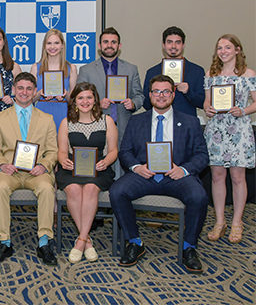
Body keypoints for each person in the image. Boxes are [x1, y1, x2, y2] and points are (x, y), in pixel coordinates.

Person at [110, 75, 209, 274]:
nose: (161, 96)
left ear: (173, 94)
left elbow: (202, 155)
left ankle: (189, 247)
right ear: (150, 94)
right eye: (156, 91)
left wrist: (183, 170)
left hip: (177, 176)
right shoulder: (136, 120)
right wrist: (137, 167)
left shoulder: (190, 121)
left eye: (165, 91)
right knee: (117, 191)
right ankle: (135, 242)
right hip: (144, 175)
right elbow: (125, 152)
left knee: (199, 196)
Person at [0, 72, 58, 266]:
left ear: (35, 91)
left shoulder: (47, 119)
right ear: (13, 90)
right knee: (0, 188)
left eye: (29, 89)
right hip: (9, 171)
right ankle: (5, 242)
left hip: (37, 173)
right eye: (20, 88)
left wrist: (44, 166)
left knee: (46, 189)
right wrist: (2, 164)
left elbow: (53, 151)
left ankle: (44, 242)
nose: (24, 92)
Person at [203, 34, 256, 244]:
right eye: (219, 48)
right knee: (217, 176)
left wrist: (243, 111)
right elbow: (207, 103)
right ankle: (219, 220)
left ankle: (237, 221)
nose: (223, 51)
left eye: (227, 47)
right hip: (217, 130)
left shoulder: (248, 74)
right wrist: (208, 109)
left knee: (237, 177)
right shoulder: (211, 74)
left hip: (239, 130)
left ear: (237, 50)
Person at [56, 82, 117, 263]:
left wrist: (106, 161)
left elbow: (113, 151)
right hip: (72, 169)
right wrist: (62, 160)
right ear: (74, 101)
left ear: (95, 100)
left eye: (89, 97)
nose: (85, 101)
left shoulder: (107, 121)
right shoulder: (66, 123)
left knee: (90, 188)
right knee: (74, 190)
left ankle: (81, 241)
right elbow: (61, 150)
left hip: (99, 169)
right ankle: (87, 241)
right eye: (80, 98)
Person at [77, 27, 144, 145]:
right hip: (95, 126)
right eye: (105, 42)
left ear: (119, 45)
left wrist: (133, 103)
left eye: (113, 42)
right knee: (100, 162)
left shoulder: (131, 69)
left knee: (122, 161)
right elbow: (79, 98)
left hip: (124, 126)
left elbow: (139, 96)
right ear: (99, 45)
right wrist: (97, 104)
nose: (109, 45)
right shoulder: (86, 70)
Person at [142, 26, 204, 116]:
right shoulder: (152, 72)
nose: (173, 46)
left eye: (178, 42)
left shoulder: (197, 71)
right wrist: (156, 94)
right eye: (169, 42)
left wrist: (188, 92)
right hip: (159, 123)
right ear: (163, 45)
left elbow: (202, 103)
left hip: (187, 125)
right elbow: (146, 104)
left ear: (183, 45)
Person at [30, 29, 78, 132]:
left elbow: (74, 101)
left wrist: (66, 95)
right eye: (49, 43)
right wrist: (39, 93)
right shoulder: (35, 67)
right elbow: (29, 100)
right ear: (44, 46)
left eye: (56, 43)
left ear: (62, 46)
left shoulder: (71, 68)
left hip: (63, 112)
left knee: (62, 147)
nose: (52, 47)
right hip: (41, 112)